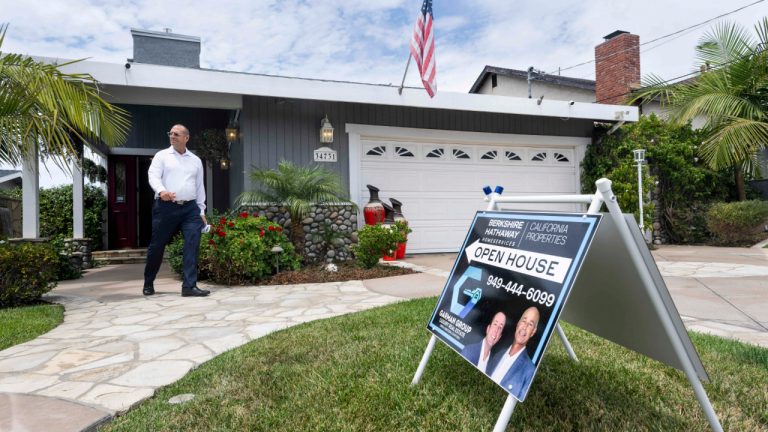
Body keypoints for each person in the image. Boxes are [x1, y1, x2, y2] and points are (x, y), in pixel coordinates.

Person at [143, 124, 210, 297]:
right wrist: (161, 191)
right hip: (166, 207)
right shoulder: (162, 156)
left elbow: (199, 187)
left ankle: (189, 286)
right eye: (171, 133)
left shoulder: (195, 160)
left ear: (186, 138)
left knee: (192, 244)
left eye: (176, 134)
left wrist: (201, 211)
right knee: (157, 245)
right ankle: (148, 282)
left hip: (190, 209)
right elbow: (153, 176)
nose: (172, 136)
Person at [487, 306, 540, 400]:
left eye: (530, 324)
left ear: (533, 332)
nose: (525, 327)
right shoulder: (497, 355)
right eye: (524, 321)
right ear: (518, 324)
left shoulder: (529, 371)